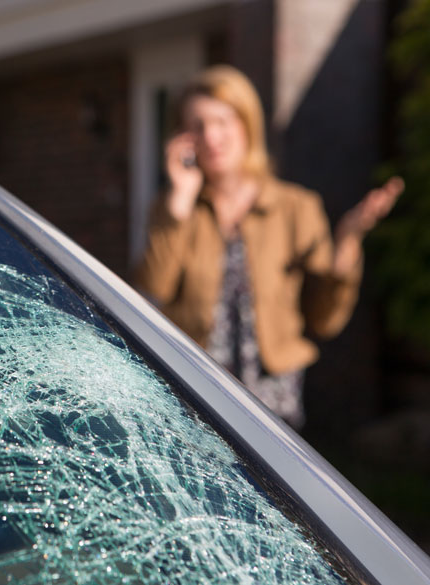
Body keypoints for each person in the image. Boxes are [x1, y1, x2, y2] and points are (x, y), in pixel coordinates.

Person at [133, 65, 403, 428]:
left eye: (222, 121)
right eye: (197, 125)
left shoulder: (297, 207)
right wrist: (178, 205)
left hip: (274, 406)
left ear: (247, 125)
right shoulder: (174, 210)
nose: (211, 136)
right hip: (192, 397)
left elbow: (325, 319)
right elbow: (150, 295)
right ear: (183, 137)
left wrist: (349, 240)